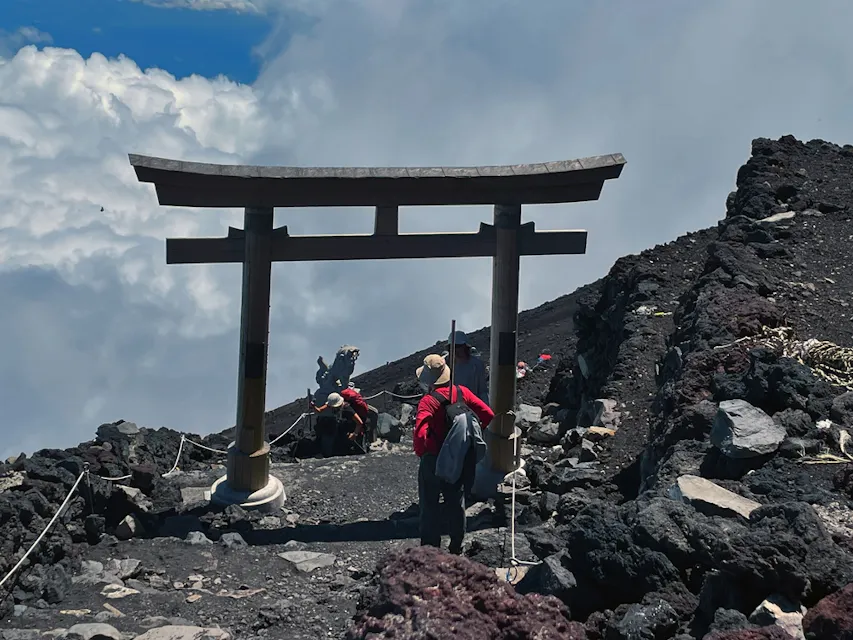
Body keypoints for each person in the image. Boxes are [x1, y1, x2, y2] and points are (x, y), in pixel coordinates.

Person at [413, 354, 494, 554]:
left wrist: (425, 451)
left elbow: (420, 435)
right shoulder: (462, 392)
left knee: (430, 504)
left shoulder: (428, 402)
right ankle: (456, 546)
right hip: (458, 457)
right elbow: (488, 415)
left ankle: (430, 552)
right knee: (456, 502)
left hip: (434, 459)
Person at [314, 387, 370, 456]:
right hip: (346, 424)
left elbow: (359, 422)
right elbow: (319, 410)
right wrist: (313, 406)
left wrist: (354, 434)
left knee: (358, 450)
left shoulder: (347, 409)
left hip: (354, 427)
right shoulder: (333, 403)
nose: (331, 408)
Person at [443, 330, 489, 405]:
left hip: (471, 406)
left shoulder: (476, 365)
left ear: (465, 347)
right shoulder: (444, 364)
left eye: (458, 346)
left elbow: (482, 391)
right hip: (450, 407)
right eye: (453, 347)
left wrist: (486, 408)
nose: (456, 350)